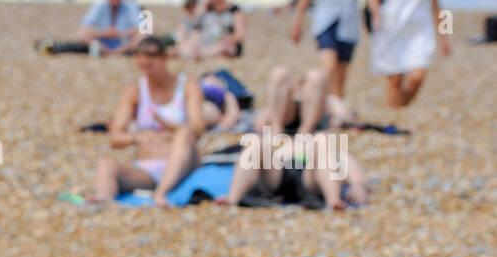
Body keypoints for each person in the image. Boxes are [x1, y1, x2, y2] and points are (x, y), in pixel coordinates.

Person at [90, 36, 206, 206]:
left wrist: (171, 127)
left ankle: (161, 194)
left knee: (184, 132)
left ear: (165, 59)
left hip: (184, 165)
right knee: (106, 165)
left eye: (151, 66)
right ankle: (104, 199)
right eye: (142, 67)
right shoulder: (135, 91)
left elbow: (198, 129)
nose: (147, 72)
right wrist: (136, 138)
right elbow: (115, 138)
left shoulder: (188, 86)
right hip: (147, 169)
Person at [216, 132, 368, 210]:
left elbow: (351, 167)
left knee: (323, 139)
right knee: (256, 142)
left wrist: (357, 185)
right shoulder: (288, 143)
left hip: (311, 177)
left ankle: (333, 200)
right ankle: (233, 197)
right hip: (281, 172)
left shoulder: (326, 146)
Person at [254, 65, 354, 135]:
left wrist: (335, 119)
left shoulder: (328, 100)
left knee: (316, 76)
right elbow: (261, 120)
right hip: (287, 117)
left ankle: (305, 129)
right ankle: (279, 129)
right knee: (279, 74)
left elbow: (345, 117)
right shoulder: (288, 96)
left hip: (311, 120)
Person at [178, 0, 246, 59]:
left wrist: (226, 38)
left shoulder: (234, 11)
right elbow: (195, 25)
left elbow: (240, 35)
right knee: (193, 38)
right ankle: (194, 53)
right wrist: (203, 4)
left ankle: (197, 54)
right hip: (207, 42)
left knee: (223, 46)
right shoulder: (207, 9)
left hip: (225, 42)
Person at [78, 0, 142, 56]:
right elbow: (87, 23)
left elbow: (139, 26)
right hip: (102, 41)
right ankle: (105, 51)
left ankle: (118, 52)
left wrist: (120, 33)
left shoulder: (130, 5)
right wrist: (103, 32)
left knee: (143, 34)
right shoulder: (99, 4)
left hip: (123, 42)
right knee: (82, 32)